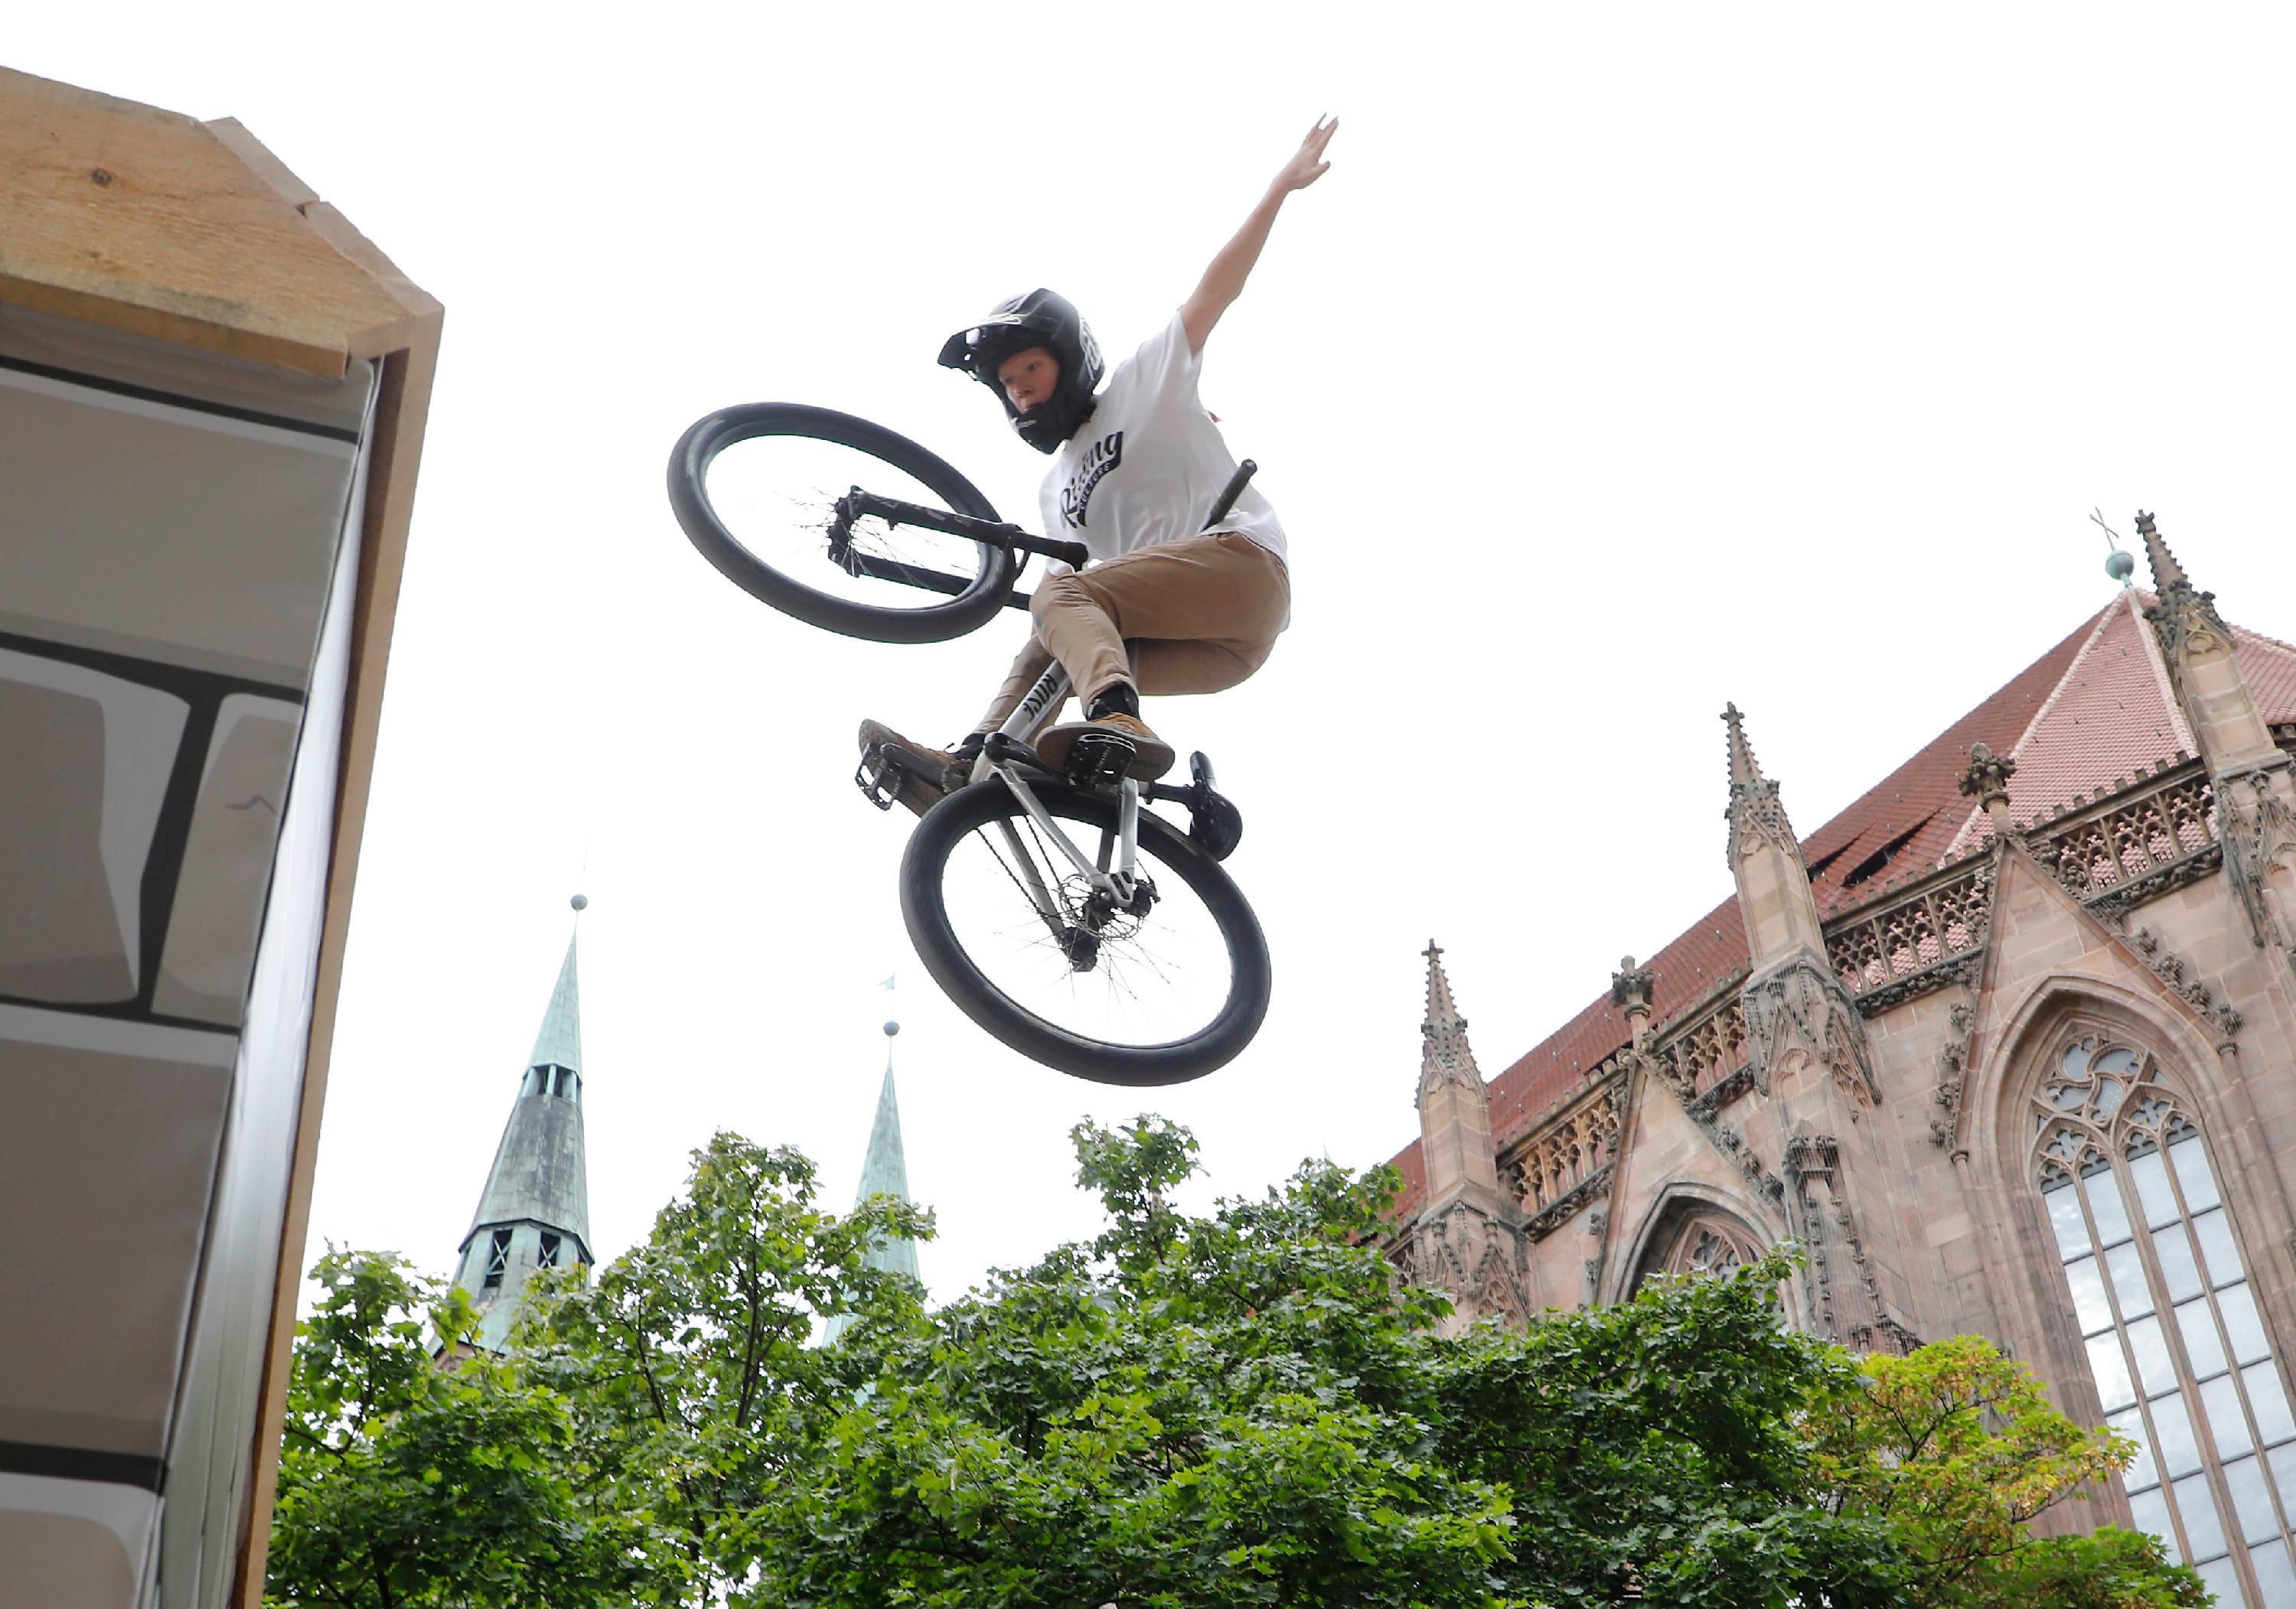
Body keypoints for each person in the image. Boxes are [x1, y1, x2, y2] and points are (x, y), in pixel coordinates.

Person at [861, 116, 1337, 813]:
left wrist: (1278, 189)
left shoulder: (1144, 383)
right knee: (1049, 633)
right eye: (1009, 383)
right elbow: (1059, 604)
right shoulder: (1054, 488)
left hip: (1244, 571)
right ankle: (970, 769)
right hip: (1212, 648)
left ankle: (1118, 717)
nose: (1021, 390)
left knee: (1061, 604)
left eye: (1030, 368)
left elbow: (1216, 292)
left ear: (1068, 357)